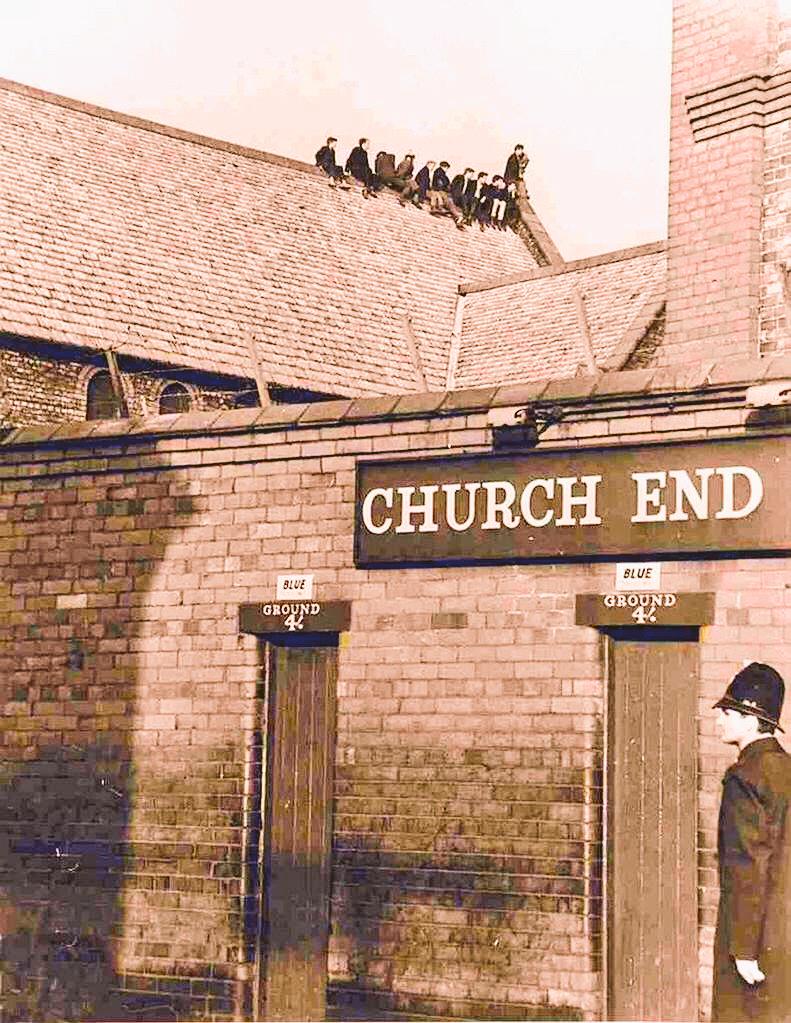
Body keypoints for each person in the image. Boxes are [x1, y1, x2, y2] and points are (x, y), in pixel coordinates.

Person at [711, 662, 791, 1022]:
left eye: (728, 712)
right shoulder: (785, 769)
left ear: (750, 719)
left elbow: (746, 866)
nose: (720, 720)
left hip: (754, 938)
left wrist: (742, 949)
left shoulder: (745, 778)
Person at [429, 161, 465, 229]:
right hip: (441, 191)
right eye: (447, 168)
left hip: (440, 191)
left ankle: (458, 217)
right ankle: (458, 217)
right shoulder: (440, 173)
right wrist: (445, 189)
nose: (447, 170)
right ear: (444, 167)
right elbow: (440, 184)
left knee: (450, 202)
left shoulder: (439, 173)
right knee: (449, 202)